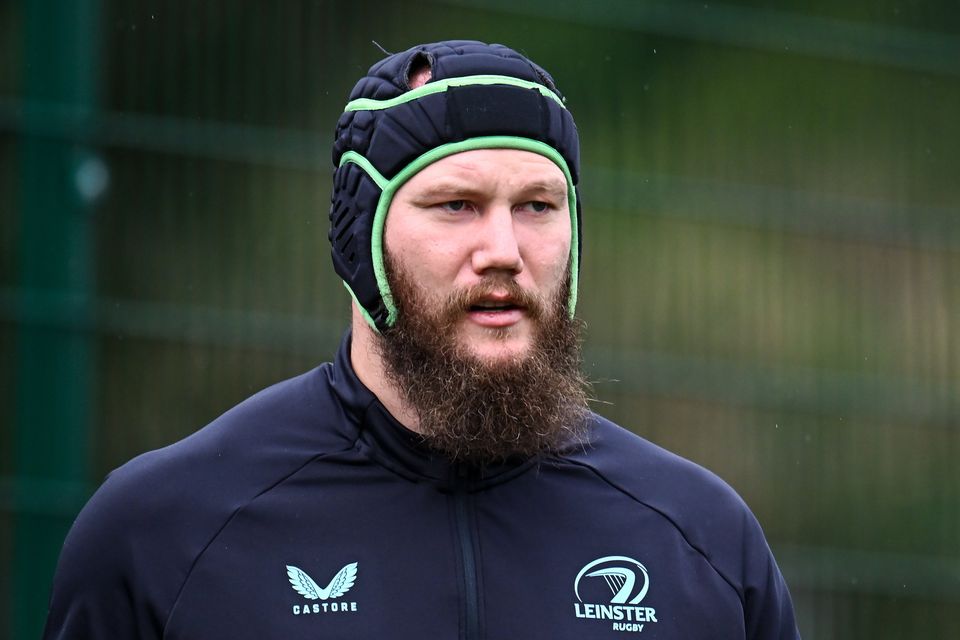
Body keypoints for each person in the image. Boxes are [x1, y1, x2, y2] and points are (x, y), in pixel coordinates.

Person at [44, 40, 800, 639]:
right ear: (359, 241)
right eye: (457, 204)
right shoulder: (165, 532)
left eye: (537, 206)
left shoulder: (699, 541)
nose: (505, 248)